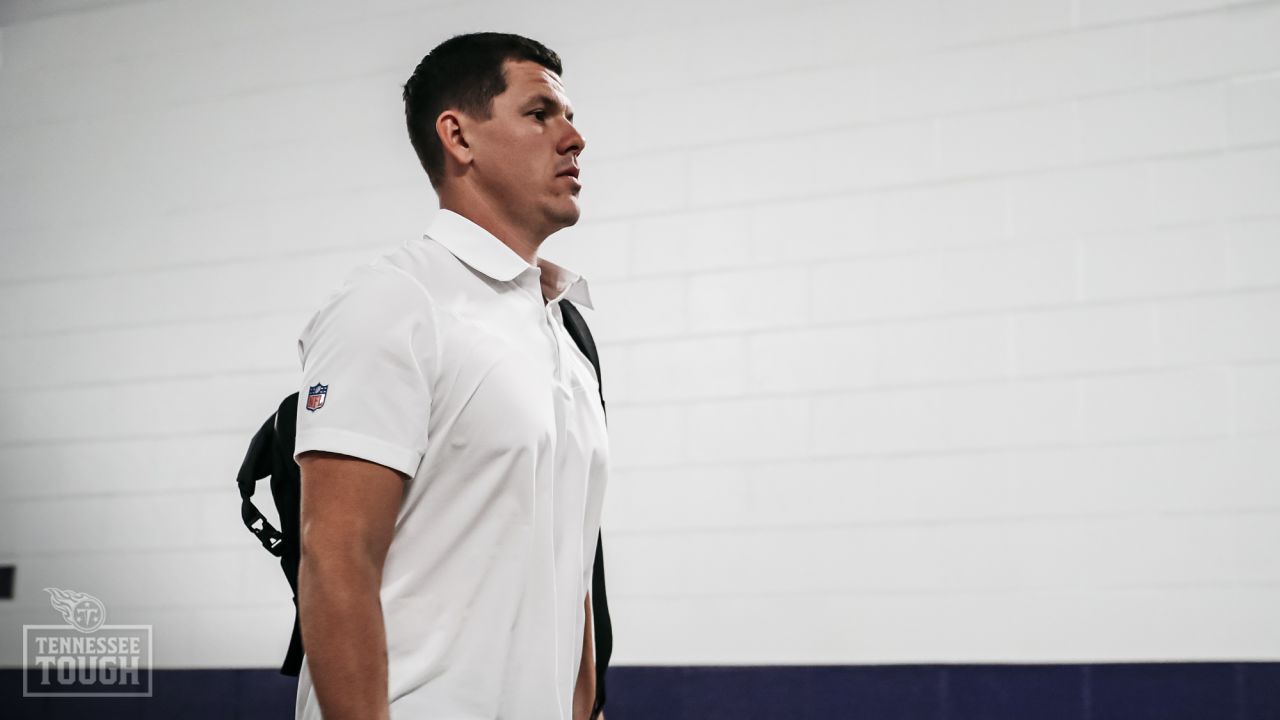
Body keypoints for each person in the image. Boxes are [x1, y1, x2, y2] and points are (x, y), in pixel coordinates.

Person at [290, 32, 608, 720]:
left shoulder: (564, 329)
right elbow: (335, 554)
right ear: (458, 137)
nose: (574, 137)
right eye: (540, 113)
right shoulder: (394, 302)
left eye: (571, 116)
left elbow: (570, 565)